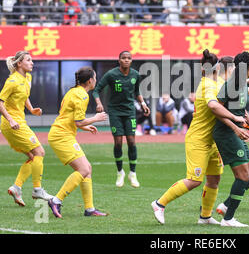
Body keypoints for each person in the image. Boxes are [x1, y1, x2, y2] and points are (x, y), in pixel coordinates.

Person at [151, 50, 249, 226]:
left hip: (213, 141)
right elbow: (213, 106)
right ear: (217, 67)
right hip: (198, 140)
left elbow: (231, 89)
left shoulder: (216, 81)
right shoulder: (206, 86)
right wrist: (234, 119)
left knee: (214, 179)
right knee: (195, 180)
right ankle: (159, 204)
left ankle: (205, 217)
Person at [213, 52, 249, 227]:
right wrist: (235, 128)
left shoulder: (239, 83)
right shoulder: (231, 84)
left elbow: (242, 111)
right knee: (243, 176)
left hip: (236, 132)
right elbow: (216, 110)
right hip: (226, 133)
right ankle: (228, 219)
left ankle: (226, 206)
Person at [47, 67, 108, 218]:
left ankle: (89, 209)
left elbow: (71, 118)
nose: (95, 80)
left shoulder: (73, 91)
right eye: (94, 78)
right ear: (90, 81)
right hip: (61, 136)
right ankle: (56, 200)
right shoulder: (82, 95)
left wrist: (86, 126)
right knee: (83, 170)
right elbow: (79, 121)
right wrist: (96, 118)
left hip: (62, 134)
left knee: (87, 168)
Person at [0, 51, 53, 207]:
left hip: (19, 122)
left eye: (32, 60)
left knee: (32, 157)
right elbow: (1, 102)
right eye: (28, 60)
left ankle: (16, 187)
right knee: (40, 152)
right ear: (19, 64)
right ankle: (37, 189)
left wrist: (31, 109)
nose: (32, 63)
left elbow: (24, 96)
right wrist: (10, 119)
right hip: (12, 124)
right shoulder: (12, 81)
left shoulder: (27, 77)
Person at [93, 51, 150, 188]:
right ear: (119, 60)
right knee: (118, 142)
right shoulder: (111, 74)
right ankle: (120, 172)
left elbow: (136, 92)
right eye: (123, 58)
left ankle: (133, 173)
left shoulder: (135, 75)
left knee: (131, 141)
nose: (126, 60)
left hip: (129, 111)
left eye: (129, 58)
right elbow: (96, 90)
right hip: (115, 112)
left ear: (131, 61)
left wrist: (143, 104)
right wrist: (99, 103)